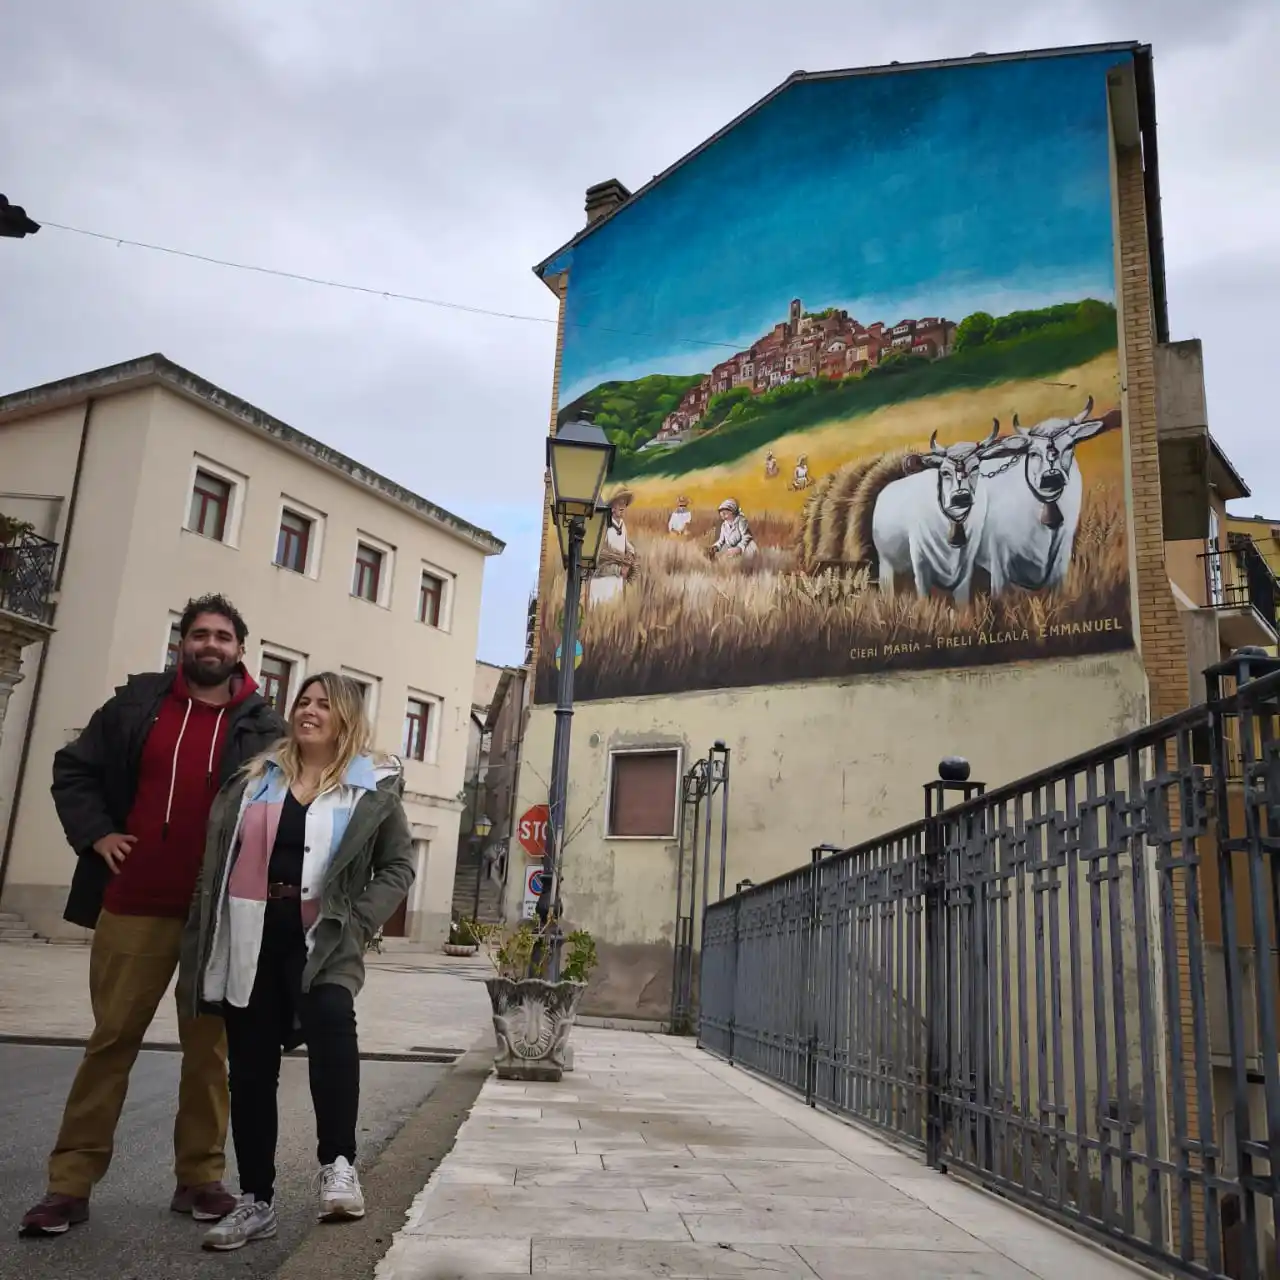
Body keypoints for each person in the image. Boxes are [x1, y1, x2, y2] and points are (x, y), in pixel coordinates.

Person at [20, 595, 286, 1237]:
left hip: (214, 917)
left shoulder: (263, 728)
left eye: (223, 636)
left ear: (240, 650)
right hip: (133, 903)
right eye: (200, 634)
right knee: (111, 1042)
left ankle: (200, 1179)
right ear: (181, 643)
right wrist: (97, 834)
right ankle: (68, 1186)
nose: (211, 644)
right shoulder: (136, 705)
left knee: (208, 1053)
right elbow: (72, 770)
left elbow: (291, 809)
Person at [180, 672, 414, 1251]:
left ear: (345, 717)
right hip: (251, 933)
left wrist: (357, 920)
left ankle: (339, 1167)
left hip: (324, 937)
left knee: (333, 1031)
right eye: (303, 701)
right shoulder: (256, 779)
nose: (308, 710)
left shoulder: (370, 787)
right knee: (251, 1067)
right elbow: (219, 856)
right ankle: (255, 1200)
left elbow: (397, 866)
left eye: (323, 704)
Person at [588, 491, 637, 607]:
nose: (622, 507)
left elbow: (627, 545)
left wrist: (630, 556)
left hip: (617, 580)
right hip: (602, 582)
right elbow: (599, 556)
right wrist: (618, 569)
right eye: (619, 503)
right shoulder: (604, 525)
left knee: (616, 606)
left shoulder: (622, 525)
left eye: (624, 504)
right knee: (601, 607)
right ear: (612, 507)